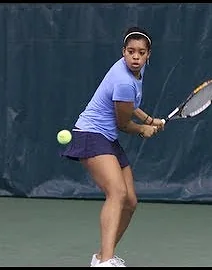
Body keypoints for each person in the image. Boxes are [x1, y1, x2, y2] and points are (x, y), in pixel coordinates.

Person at [60, 26, 165, 267]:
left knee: (130, 202)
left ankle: (101, 256)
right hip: (90, 134)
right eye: (130, 52)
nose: (135, 57)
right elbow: (124, 122)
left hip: (106, 138)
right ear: (123, 52)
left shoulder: (137, 73)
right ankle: (105, 262)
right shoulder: (123, 79)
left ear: (148, 54)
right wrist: (143, 129)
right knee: (117, 192)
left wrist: (150, 119)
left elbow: (129, 105)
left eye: (141, 52)